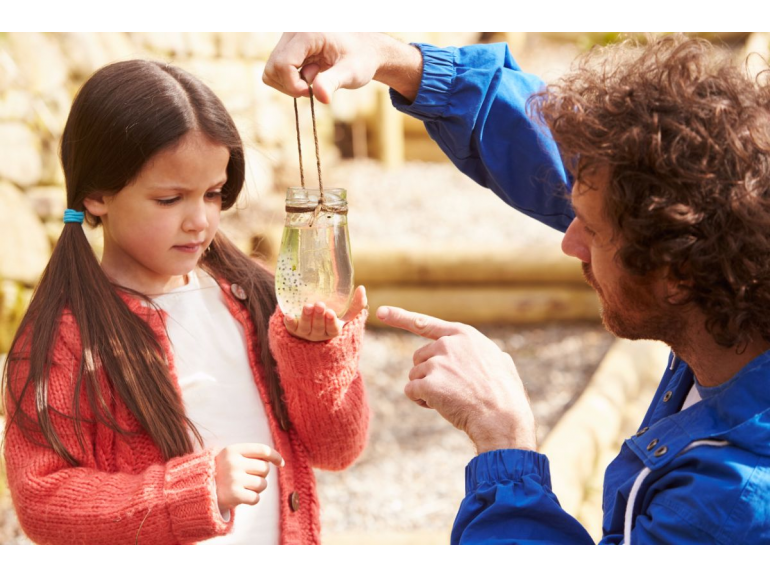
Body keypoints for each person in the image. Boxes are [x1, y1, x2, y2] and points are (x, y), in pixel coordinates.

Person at [264, 33, 770, 544]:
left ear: (677, 275)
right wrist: (396, 60)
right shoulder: (732, 282)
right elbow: (567, 161)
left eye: (590, 231)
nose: (568, 240)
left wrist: (505, 441)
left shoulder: (732, 501)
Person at [1, 58, 370, 545]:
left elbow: (337, 450)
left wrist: (314, 354)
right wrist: (195, 493)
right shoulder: (67, 336)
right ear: (97, 196)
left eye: (213, 194)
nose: (199, 220)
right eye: (170, 199)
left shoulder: (256, 299)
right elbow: (43, 503)